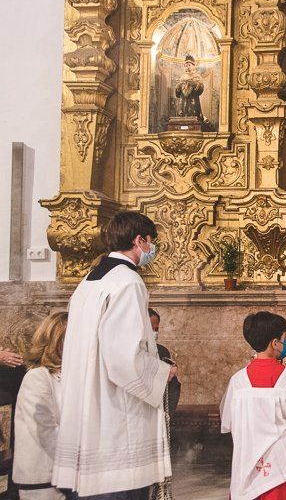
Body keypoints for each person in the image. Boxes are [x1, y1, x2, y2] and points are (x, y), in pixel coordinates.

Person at [53, 212, 176, 499]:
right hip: (113, 417)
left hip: (85, 407)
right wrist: (162, 372)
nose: (152, 249)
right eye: (151, 242)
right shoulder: (127, 282)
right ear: (138, 240)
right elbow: (124, 359)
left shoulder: (89, 280)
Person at [220, 311, 286, 500]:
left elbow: (227, 422)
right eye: (283, 339)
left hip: (245, 467)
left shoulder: (237, 381)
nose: (285, 343)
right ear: (274, 343)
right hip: (282, 469)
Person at [13, 312, 68, 500]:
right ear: (55, 341)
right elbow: (45, 431)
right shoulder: (37, 377)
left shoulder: (72, 377)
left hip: (69, 477)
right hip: (44, 481)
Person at [149, 309, 181, 415]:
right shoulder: (133, 352)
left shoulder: (162, 351)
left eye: (156, 328)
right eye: (151, 328)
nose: (154, 332)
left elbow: (172, 386)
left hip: (160, 409)